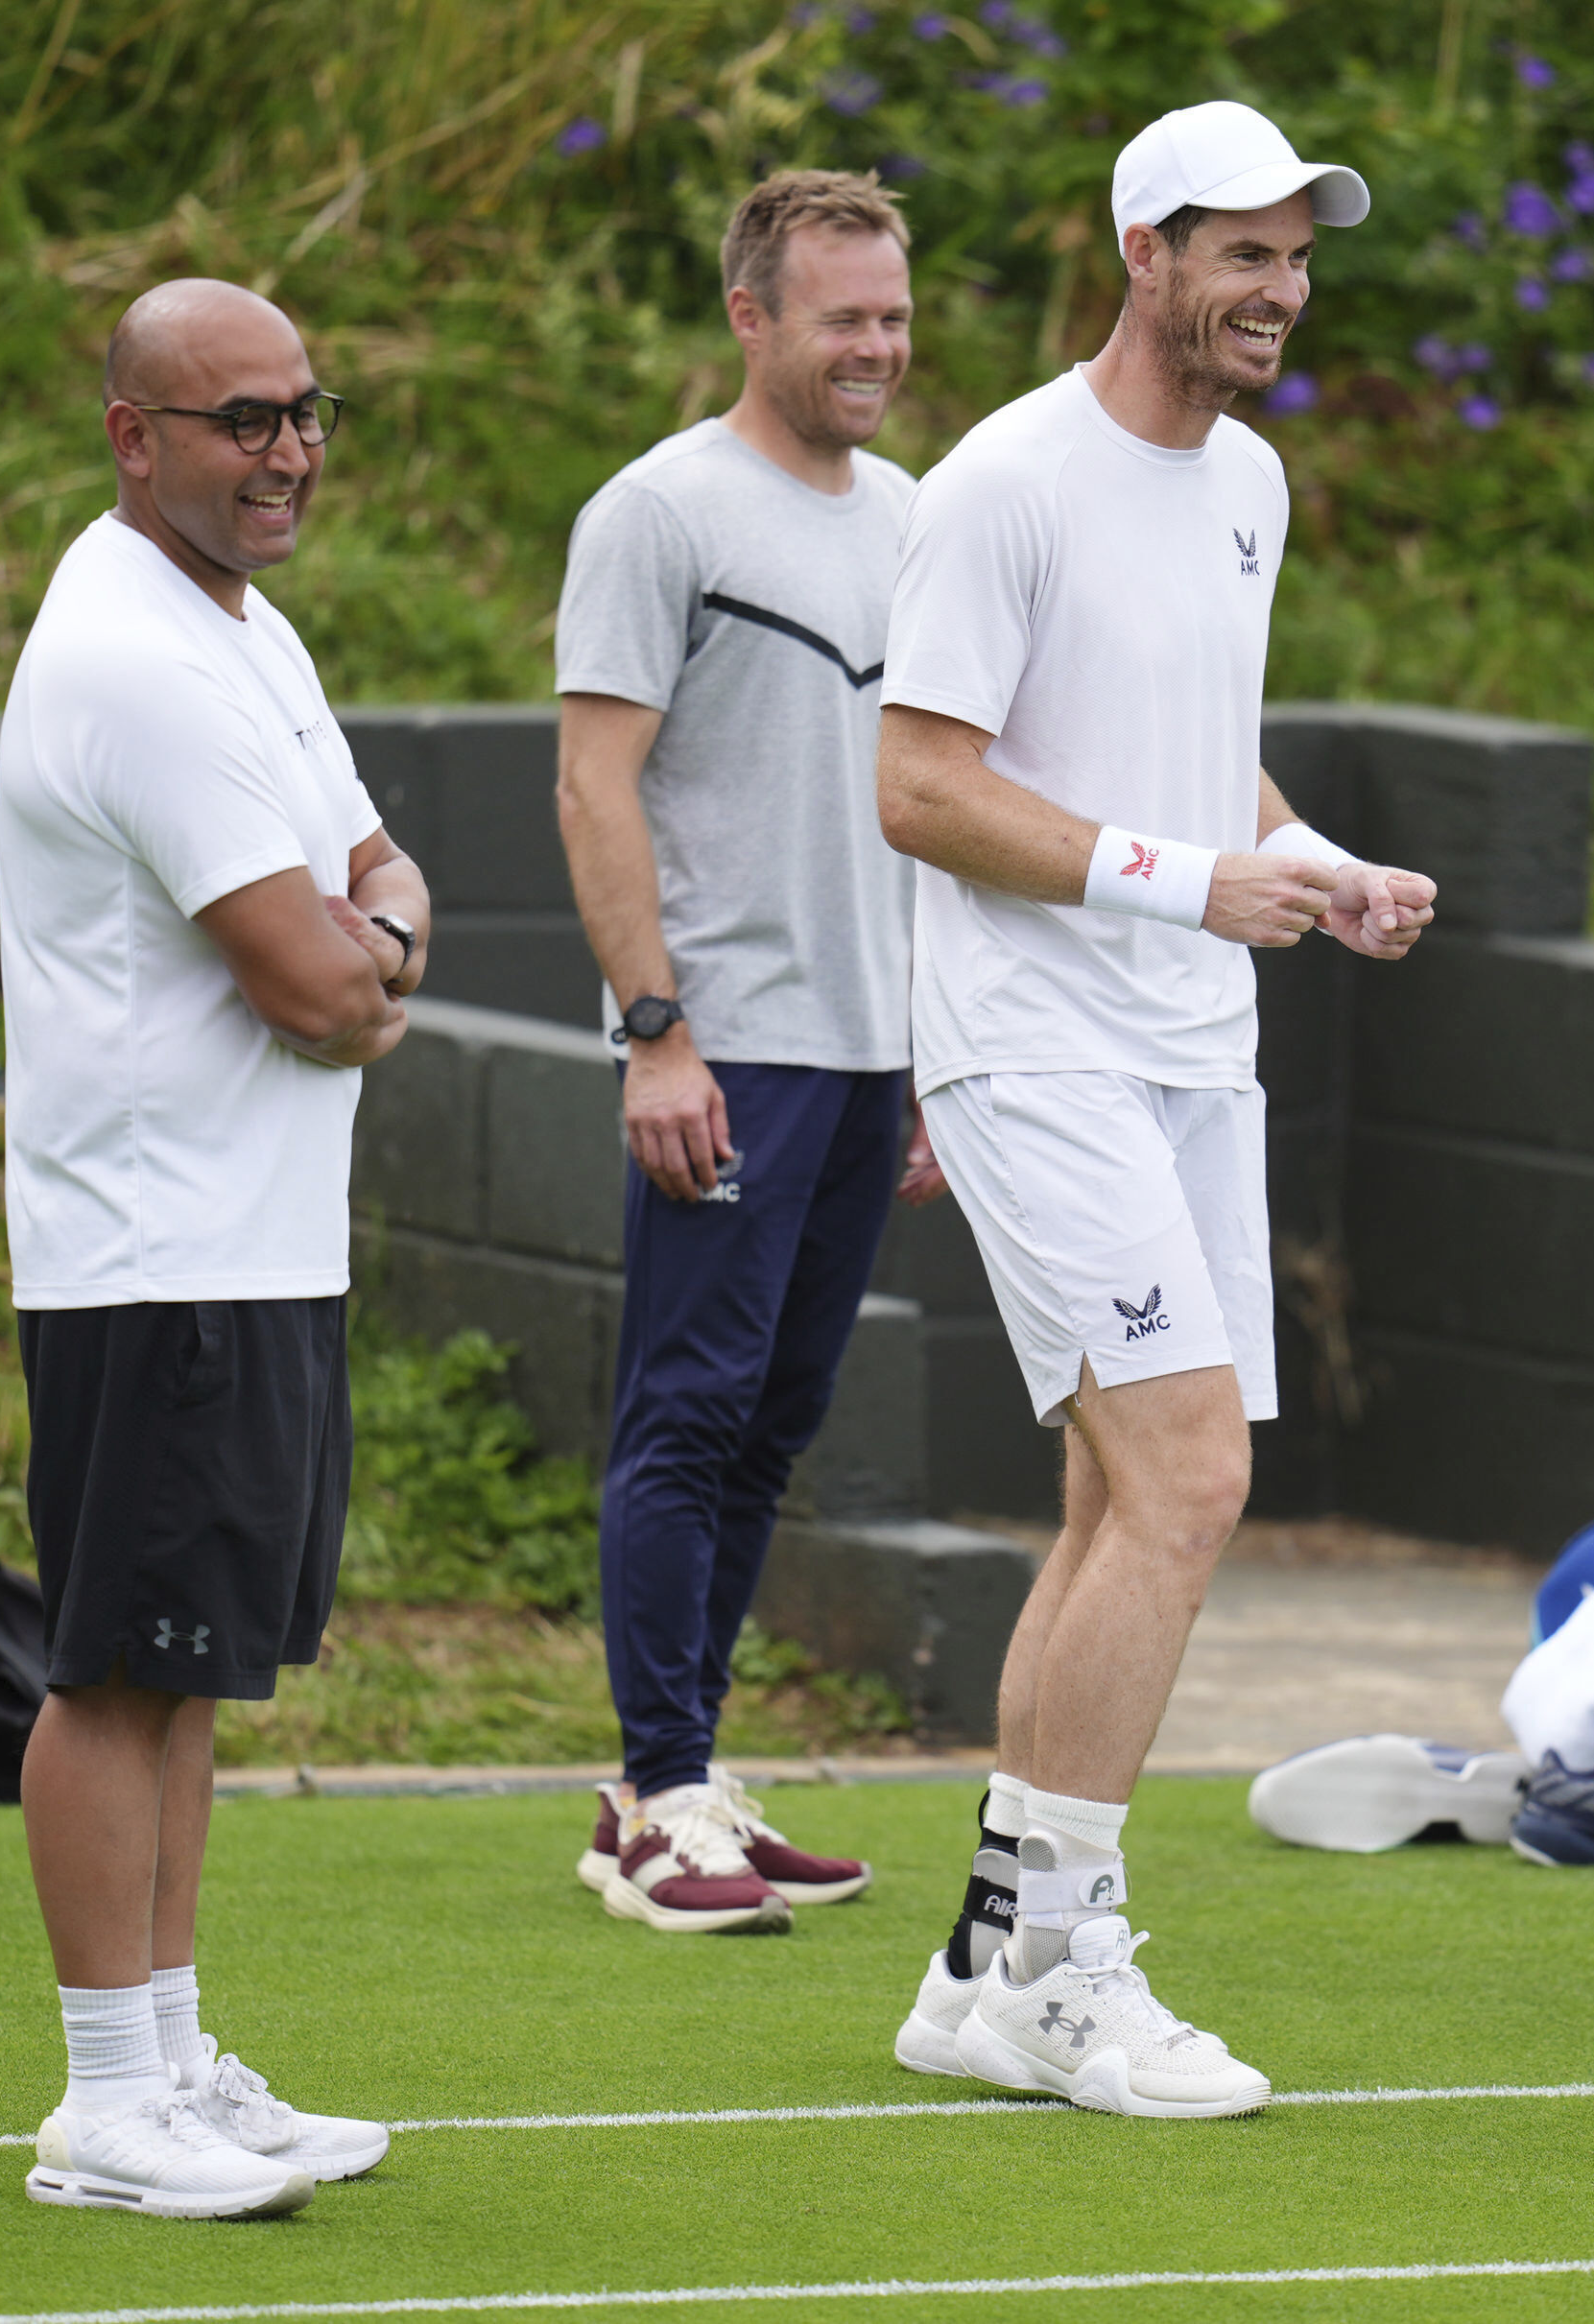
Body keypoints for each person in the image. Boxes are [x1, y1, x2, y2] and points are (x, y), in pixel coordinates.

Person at [872, 101, 1435, 2120]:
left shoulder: (1251, 484)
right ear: (1142, 252)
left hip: (1199, 1044)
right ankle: (1062, 1962)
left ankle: (986, 1959)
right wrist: (1184, 880)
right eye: (1241, 252)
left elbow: (1205, 760)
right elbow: (919, 785)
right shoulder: (1001, 482)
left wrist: (1320, 858)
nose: (1278, 290)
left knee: (1122, 1499)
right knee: (1191, 1480)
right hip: (1034, 1046)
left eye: (1297, 255)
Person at [0, 277, 419, 2217]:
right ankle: (103, 2105)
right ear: (133, 437)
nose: (284, 449)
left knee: (187, 1670)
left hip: (252, 1242)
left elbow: (378, 879)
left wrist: (365, 944)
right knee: (112, 1671)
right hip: (152, 1249)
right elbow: (320, 978)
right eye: (237, 417)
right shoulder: (137, 657)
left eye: (301, 410)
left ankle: (173, 2055)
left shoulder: (247, 627)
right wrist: (362, 953)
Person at [552, 171, 938, 1935]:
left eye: (894, 312)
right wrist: (656, 1036)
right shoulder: (657, 512)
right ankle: (654, 1800)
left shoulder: (920, 520)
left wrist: (931, 1057)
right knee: (686, 1417)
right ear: (753, 318)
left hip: (868, 1061)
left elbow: (932, 805)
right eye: (844, 314)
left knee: (773, 1421)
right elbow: (593, 780)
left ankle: (678, 1773)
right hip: (727, 1053)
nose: (878, 344)